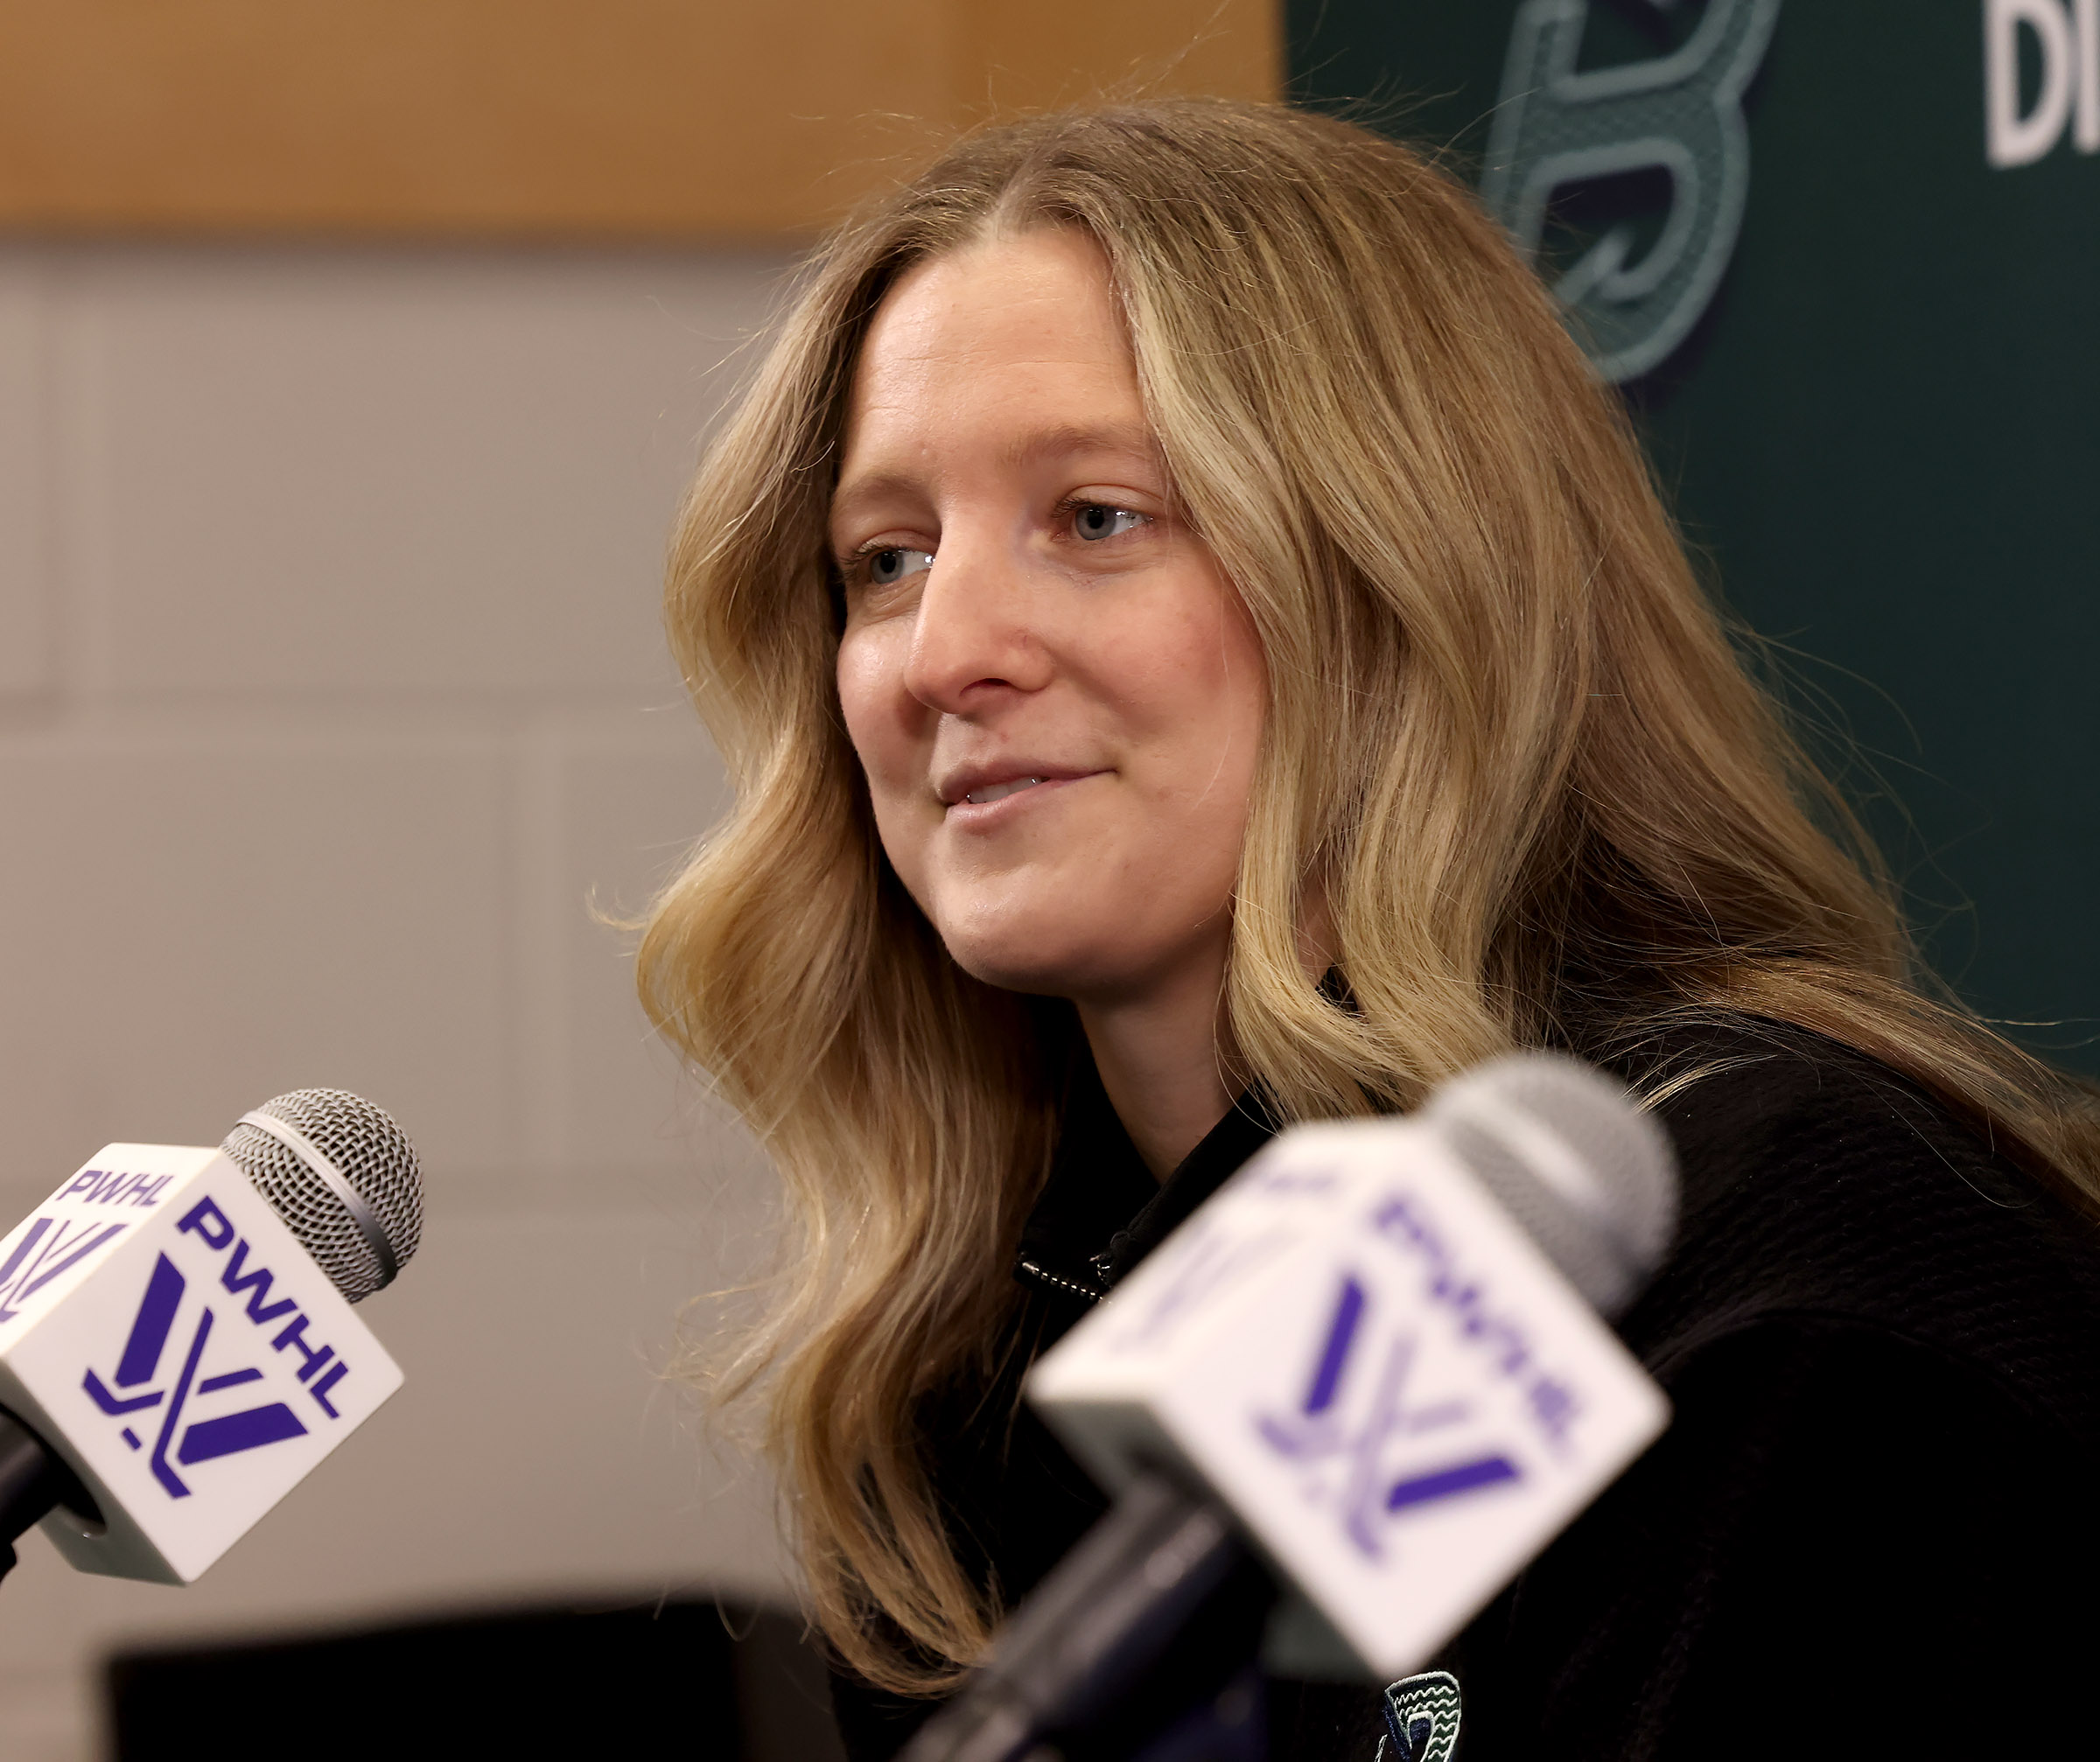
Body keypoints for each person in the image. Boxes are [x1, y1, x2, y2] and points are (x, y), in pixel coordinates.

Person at [636, 101, 2100, 1759]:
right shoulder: (971, 1366)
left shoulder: (1788, 1289)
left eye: (1098, 518)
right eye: (885, 559)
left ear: (1408, 576)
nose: (940, 649)